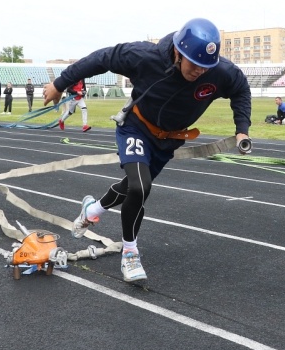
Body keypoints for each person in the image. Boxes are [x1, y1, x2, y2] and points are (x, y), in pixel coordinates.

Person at [42, 18, 251, 282]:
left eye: (205, 66)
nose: (200, 71)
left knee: (133, 185)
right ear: (178, 52)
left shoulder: (219, 71)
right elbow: (102, 58)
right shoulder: (144, 56)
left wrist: (242, 128)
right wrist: (60, 83)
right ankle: (130, 253)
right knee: (140, 187)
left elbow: (241, 89)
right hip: (136, 127)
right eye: (194, 64)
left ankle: (92, 210)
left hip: (168, 140)